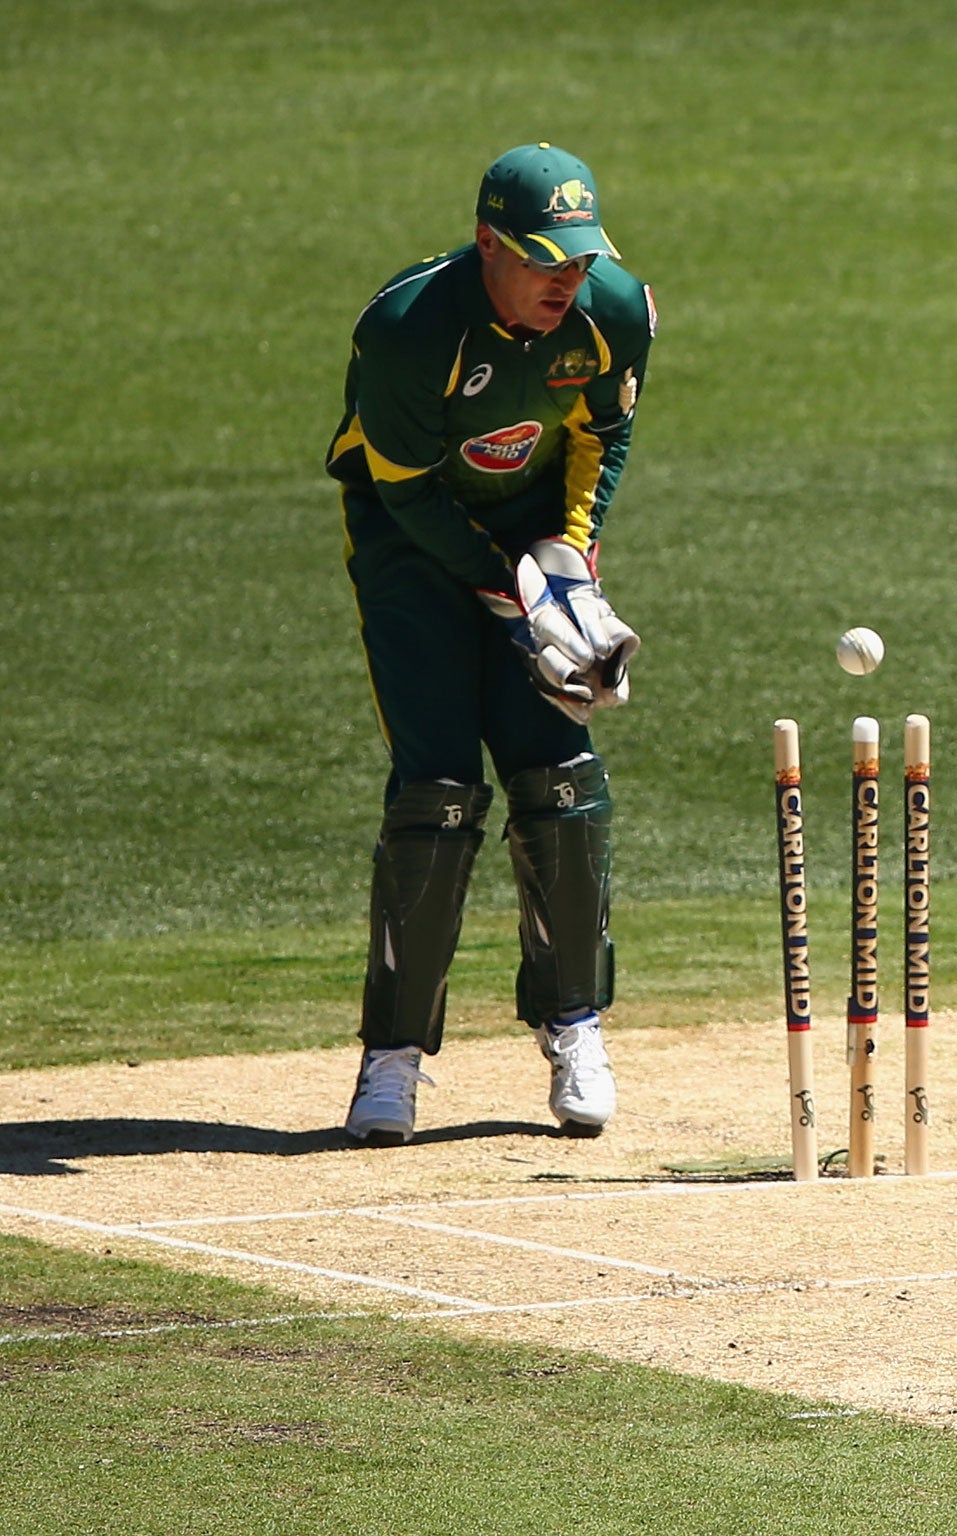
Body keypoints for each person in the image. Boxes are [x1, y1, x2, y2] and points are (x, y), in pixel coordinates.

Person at [324, 143, 656, 1145]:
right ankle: (392, 1059)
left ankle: (575, 1026)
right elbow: (408, 490)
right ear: (486, 244)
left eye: (578, 257)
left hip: (529, 533)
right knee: (436, 785)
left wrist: (568, 564)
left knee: (558, 772)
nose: (567, 278)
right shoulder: (408, 331)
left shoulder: (615, 311)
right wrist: (504, 591)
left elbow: (603, 438)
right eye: (545, 257)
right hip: (410, 546)